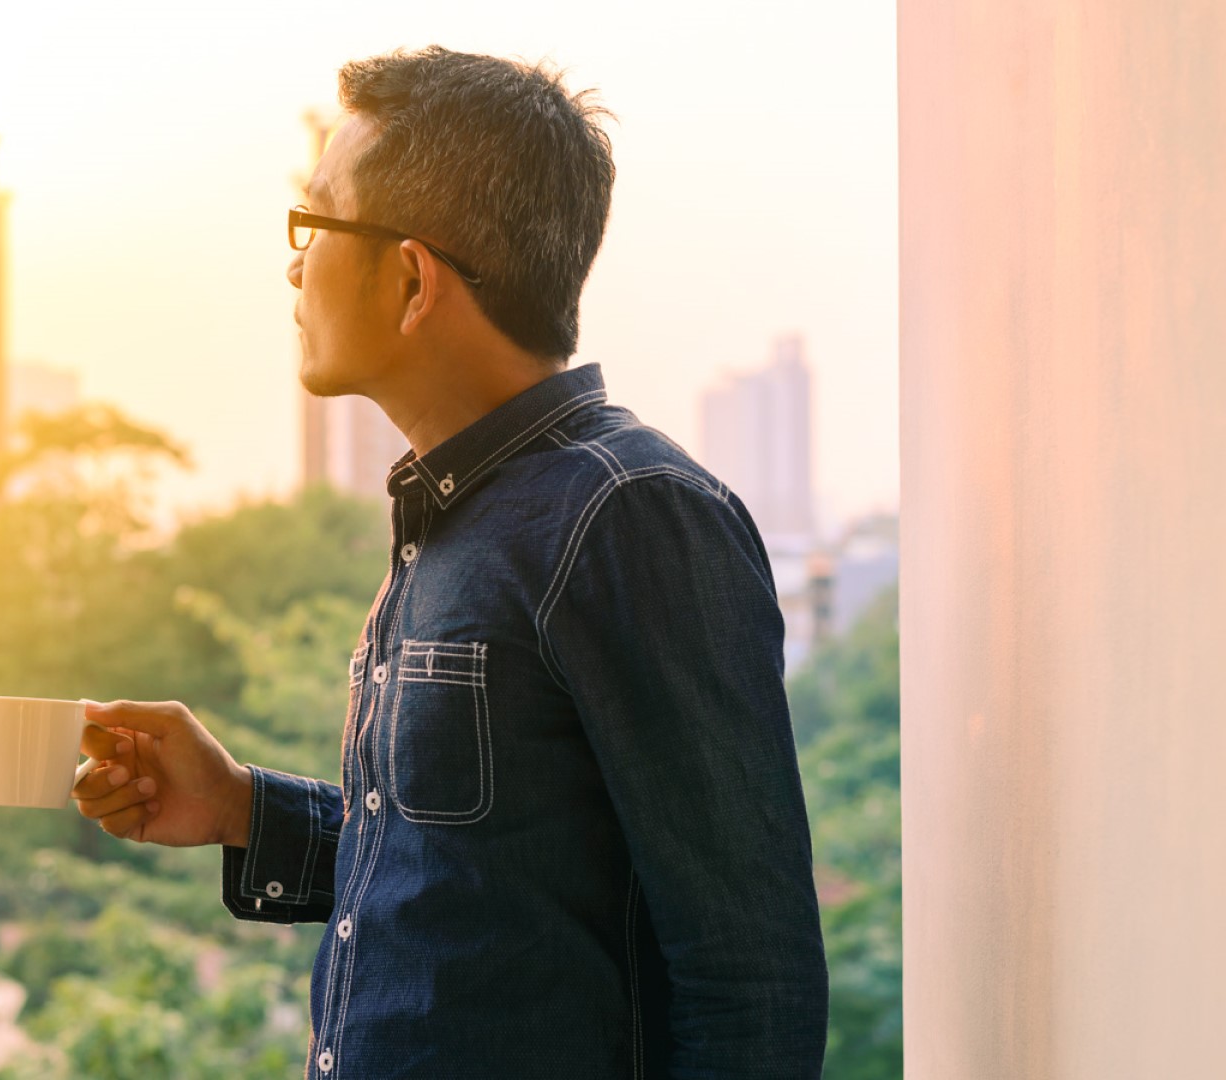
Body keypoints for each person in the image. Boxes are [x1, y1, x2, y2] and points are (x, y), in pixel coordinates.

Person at [71, 46, 828, 1079]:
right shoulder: (453, 517)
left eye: (315, 224)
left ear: (413, 276)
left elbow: (752, 984)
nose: (294, 265)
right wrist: (241, 806)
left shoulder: (627, 515)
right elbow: (474, 888)